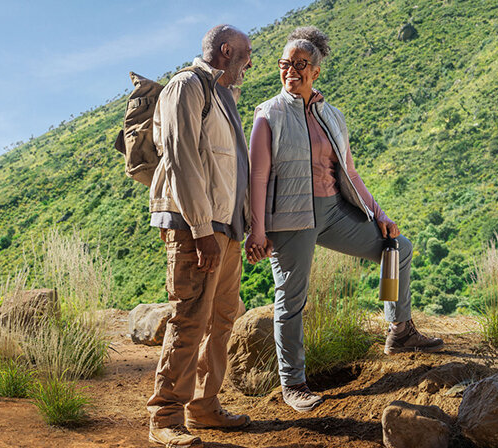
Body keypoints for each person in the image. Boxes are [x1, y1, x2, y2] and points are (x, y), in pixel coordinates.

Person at [246, 26, 444, 413]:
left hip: (335, 211)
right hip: (290, 218)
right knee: (291, 299)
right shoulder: (268, 114)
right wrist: (257, 227)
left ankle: (399, 330)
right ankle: (294, 383)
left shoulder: (331, 116)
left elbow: (350, 173)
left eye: (301, 65)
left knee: (397, 249)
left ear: (315, 71)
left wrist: (379, 214)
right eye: (286, 64)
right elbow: (257, 175)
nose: (292, 71)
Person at [143, 24, 255, 448]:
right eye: (247, 54)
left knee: (222, 317)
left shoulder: (223, 95)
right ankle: (166, 416)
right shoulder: (186, 87)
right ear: (227, 50)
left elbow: (229, 170)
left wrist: (243, 227)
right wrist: (201, 230)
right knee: (190, 319)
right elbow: (181, 158)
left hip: (225, 230)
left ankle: (204, 406)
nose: (250, 62)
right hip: (196, 230)